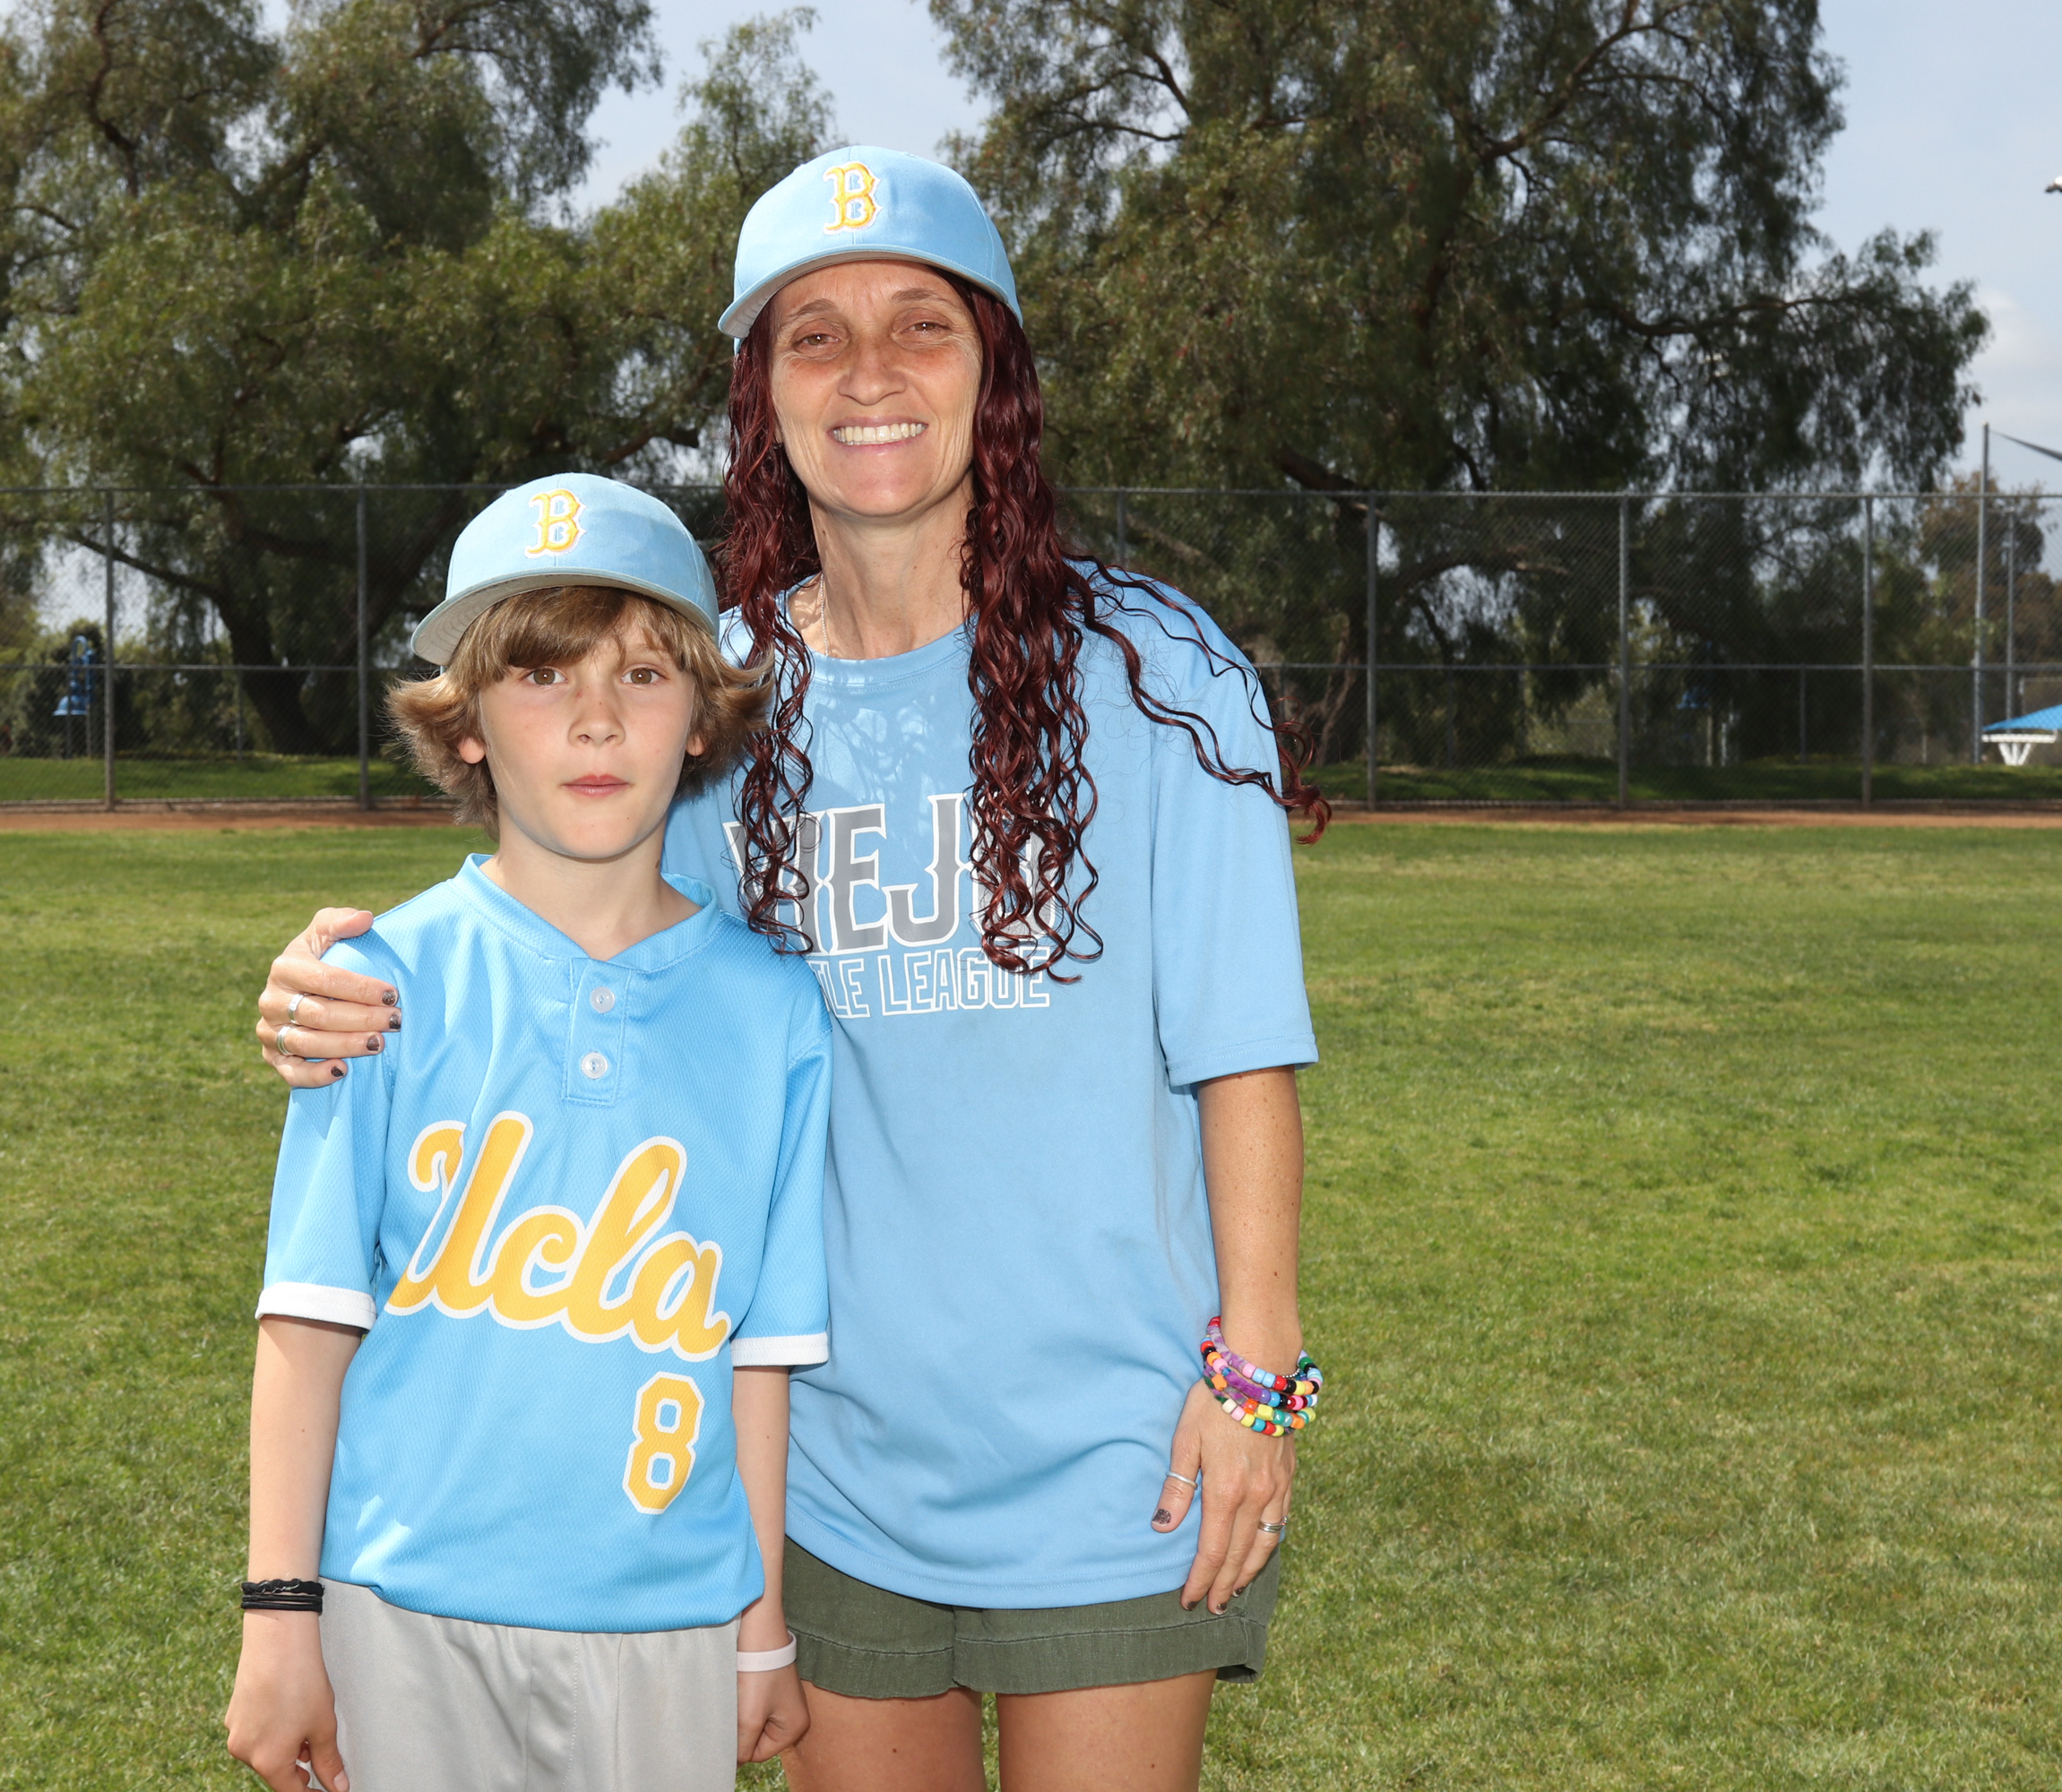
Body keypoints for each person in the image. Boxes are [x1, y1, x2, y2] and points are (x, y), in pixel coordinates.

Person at [256, 149, 1330, 1792]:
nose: (870, 372)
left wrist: (1254, 1384)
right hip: (821, 1471)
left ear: (995, 372)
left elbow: (1244, 1052)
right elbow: (568, 925)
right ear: (764, 396)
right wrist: (345, 982)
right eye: (814, 335)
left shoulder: (1159, 672)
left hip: (1123, 1456)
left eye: (921, 324)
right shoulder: (723, 703)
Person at [224, 476, 832, 1792]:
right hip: (398, 1604)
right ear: (467, 726)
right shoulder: (375, 983)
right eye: (543, 675)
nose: (597, 718)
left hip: (667, 1619)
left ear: (703, 721)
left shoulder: (776, 1014)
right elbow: (307, 1320)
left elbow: (759, 1358)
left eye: (645, 676)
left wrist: (760, 1629)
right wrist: (280, 1614)